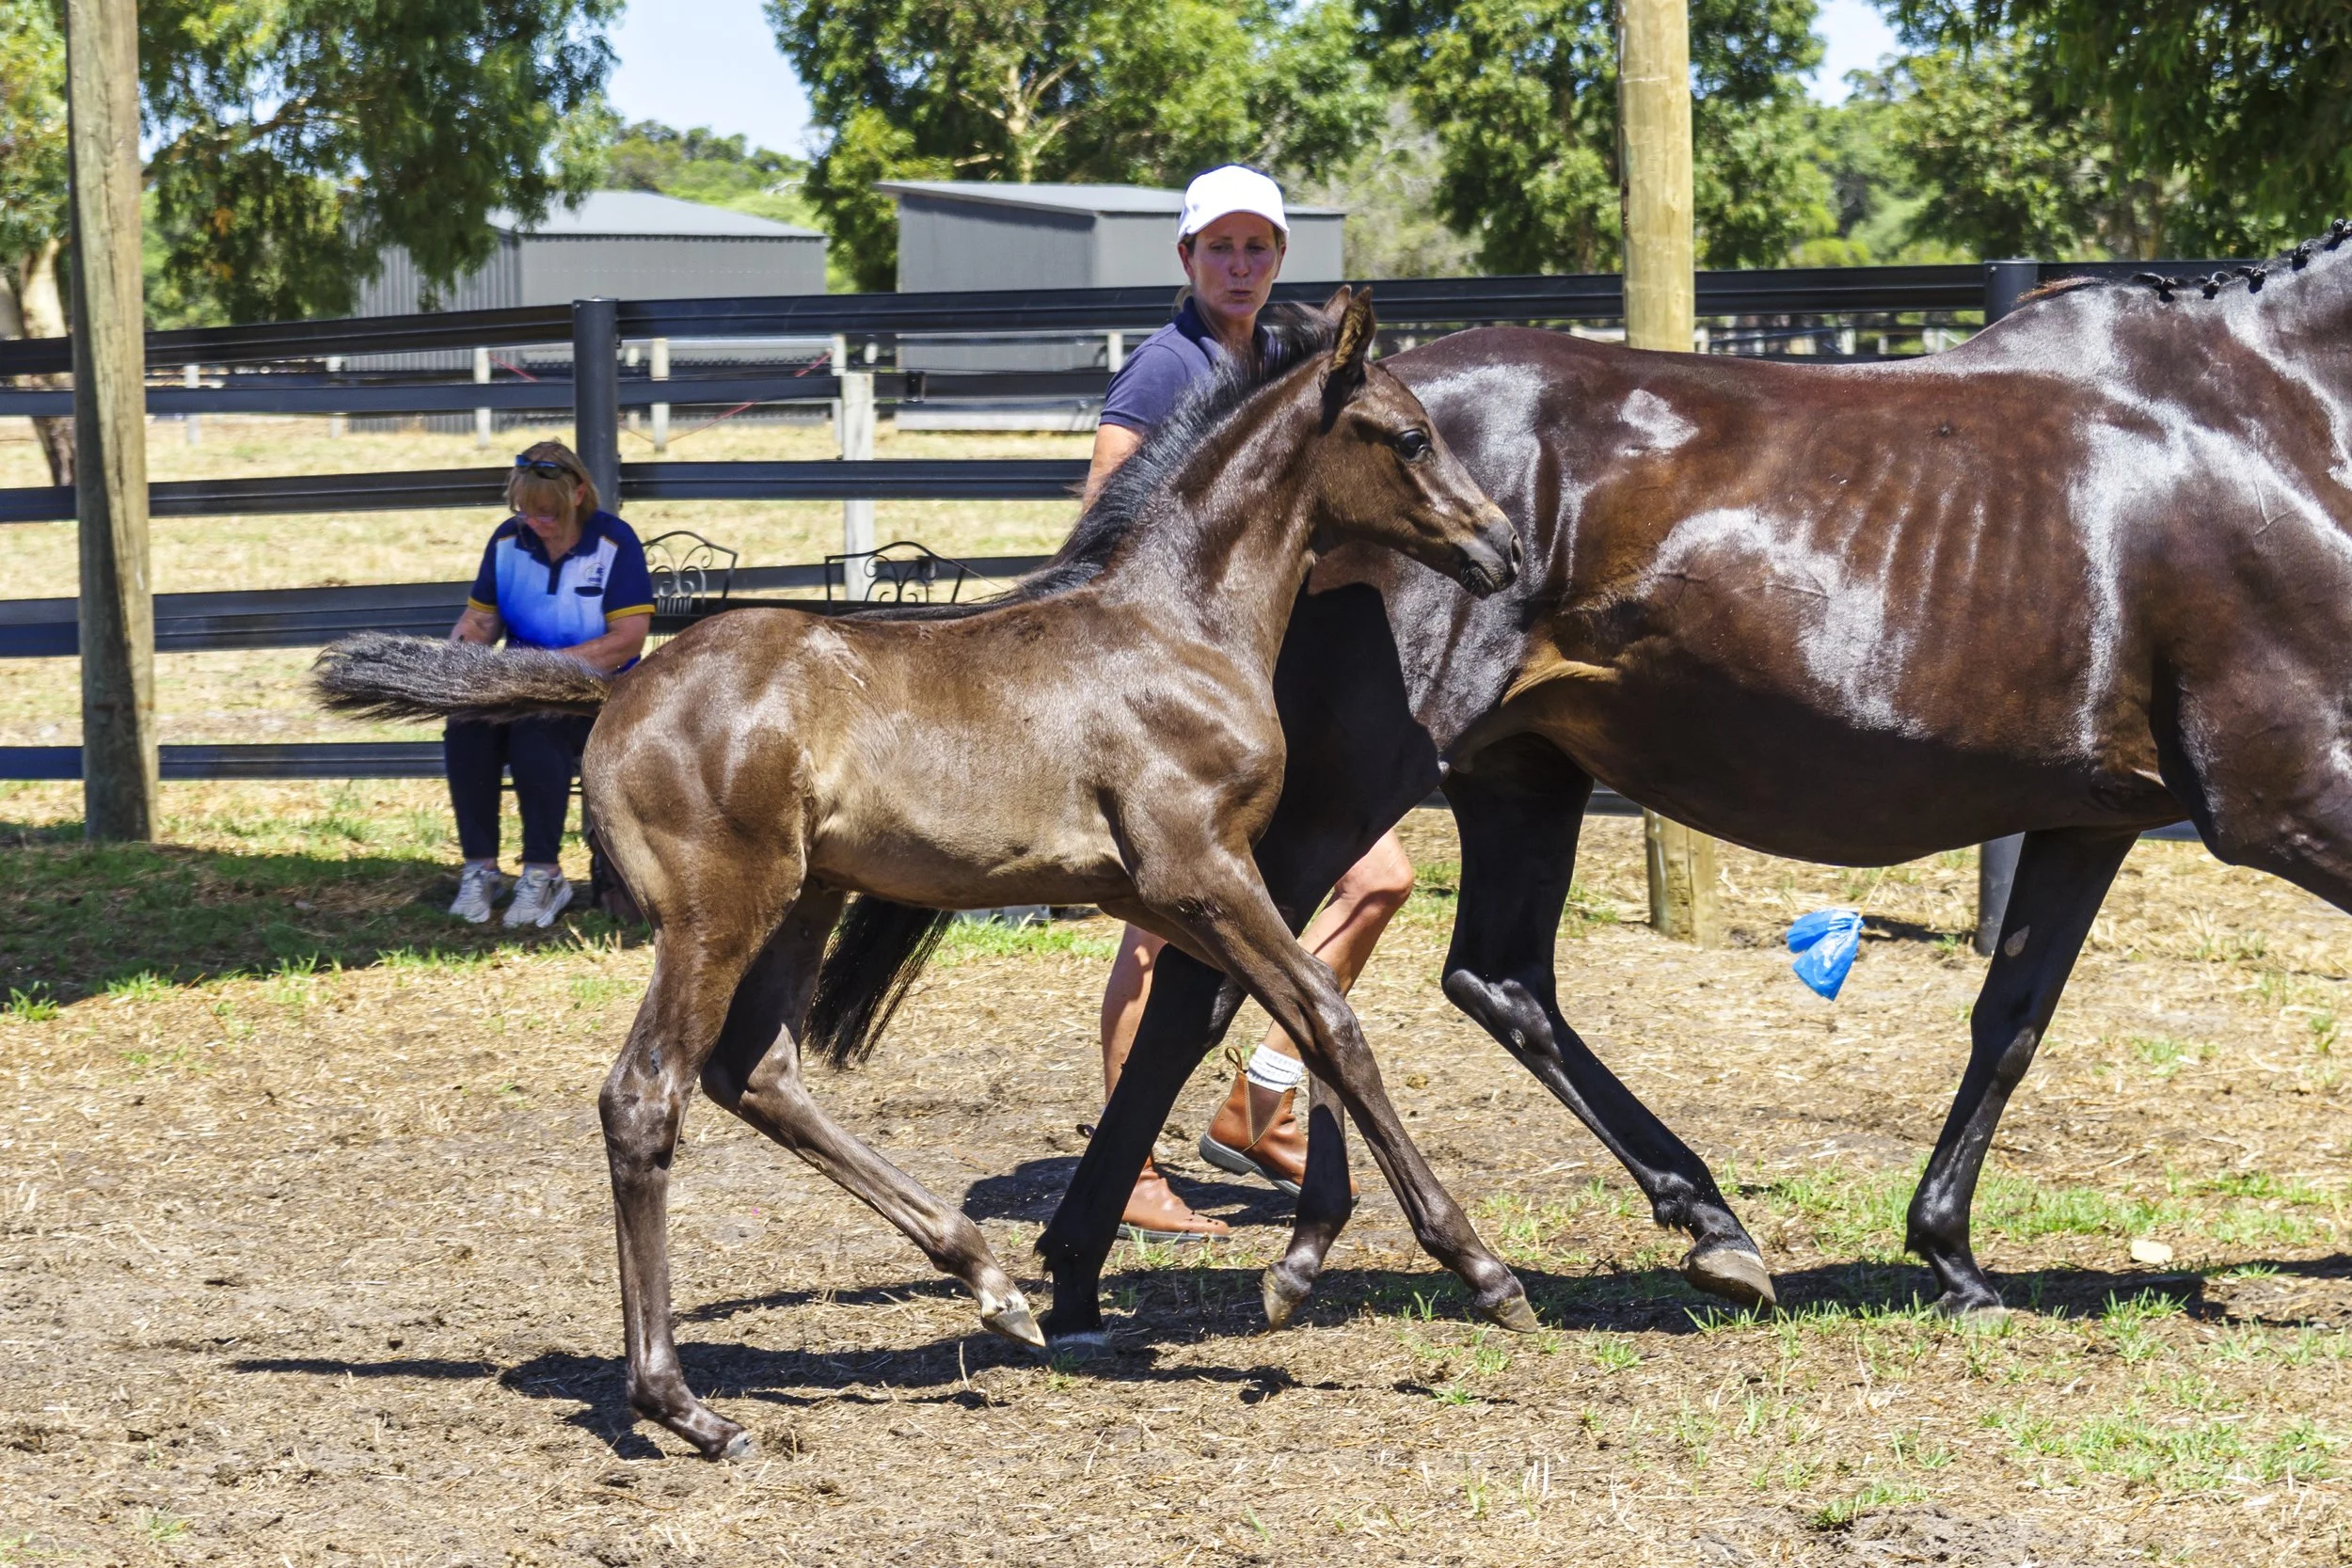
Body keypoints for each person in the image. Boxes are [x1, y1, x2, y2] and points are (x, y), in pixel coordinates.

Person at [1088, 166, 1418, 1243]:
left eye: (1257, 247)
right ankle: (1126, 1166)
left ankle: (1261, 1097)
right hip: (1167, 683)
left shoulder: (1281, 356)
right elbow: (1102, 510)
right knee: (1154, 934)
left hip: (1258, 679)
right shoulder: (1166, 366)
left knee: (1376, 876)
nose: (1239, 265)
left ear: (1278, 257)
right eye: (1220, 247)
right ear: (1186, 256)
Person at [443, 440, 654, 927]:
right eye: (525, 511)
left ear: (578, 494)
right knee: (466, 725)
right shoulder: (506, 542)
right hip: (522, 685)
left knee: (538, 729)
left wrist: (547, 668)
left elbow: (626, 640)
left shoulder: (614, 543)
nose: (535, 523)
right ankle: (480, 869)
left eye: (547, 513)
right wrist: (455, 661)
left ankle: (544, 873)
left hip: (601, 694)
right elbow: (480, 621)